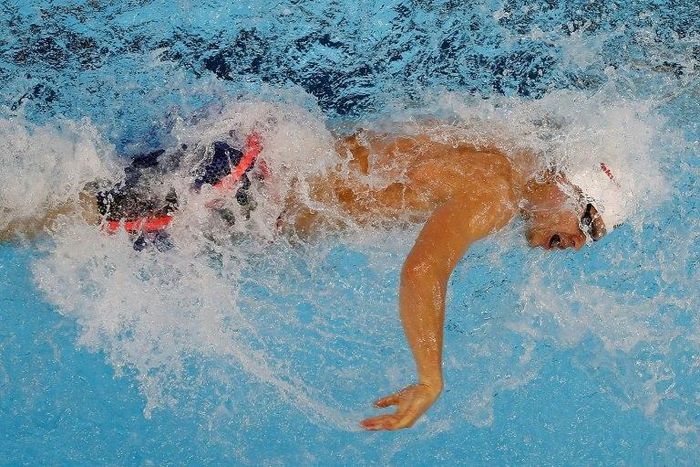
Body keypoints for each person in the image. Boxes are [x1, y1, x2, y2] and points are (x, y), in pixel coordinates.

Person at [0, 124, 626, 430]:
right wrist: (431, 376)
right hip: (240, 190)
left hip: (252, 177)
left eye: (589, 239)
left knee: (66, 204)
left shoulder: (499, 147)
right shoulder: (492, 193)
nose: (575, 243)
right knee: (62, 215)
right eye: (586, 223)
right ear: (570, 184)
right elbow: (425, 267)